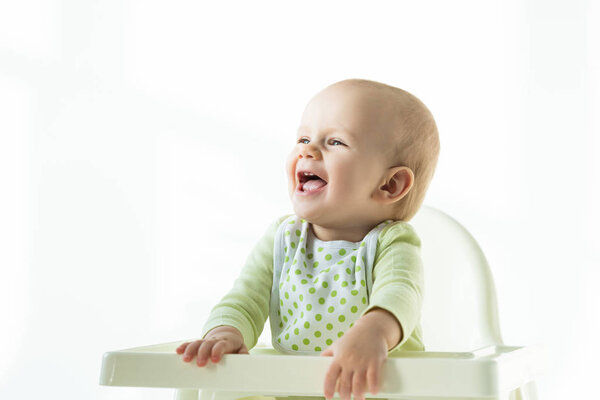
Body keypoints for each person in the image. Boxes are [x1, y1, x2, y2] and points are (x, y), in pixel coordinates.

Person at [176, 78, 440, 400]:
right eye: (303, 137)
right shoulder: (282, 239)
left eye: (336, 142)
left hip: (376, 390)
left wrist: (372, 333)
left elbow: (401, 293)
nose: (307, 149)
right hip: (291, 391)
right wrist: (225, 332)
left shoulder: (391, 242)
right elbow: (245, 299)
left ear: (390, 185)